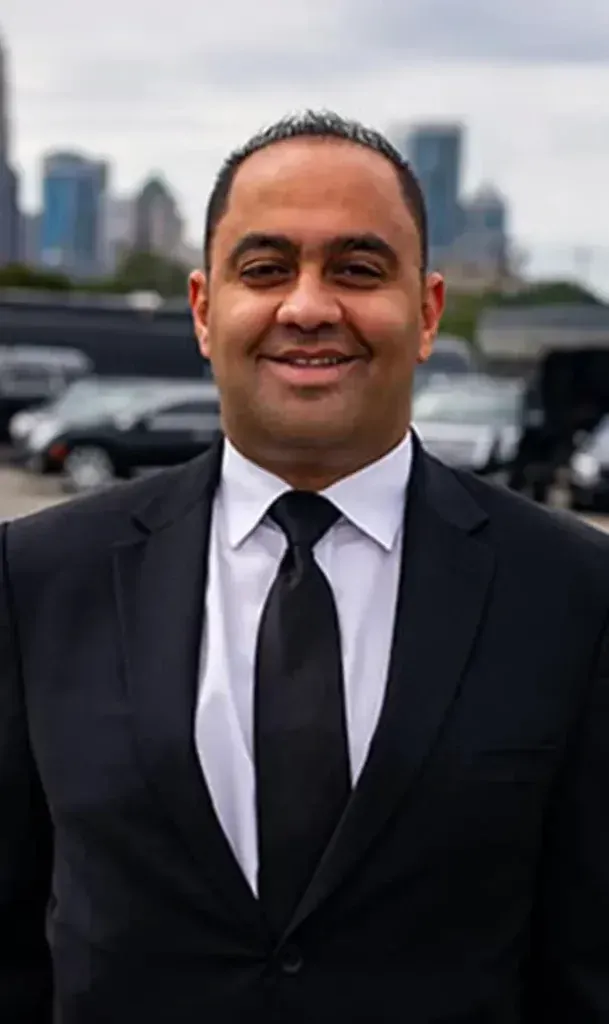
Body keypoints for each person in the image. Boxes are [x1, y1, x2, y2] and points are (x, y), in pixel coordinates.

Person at [1, 111, 608, 1024]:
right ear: (205, 310)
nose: (309, 305)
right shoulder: (38, 578)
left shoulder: (573, 591)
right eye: (266, 268)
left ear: (428, 311)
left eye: (358, 270)